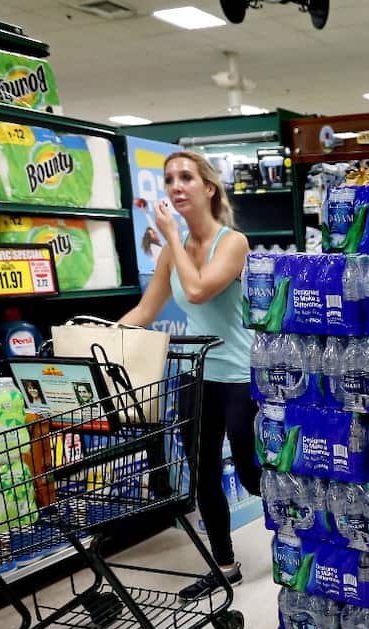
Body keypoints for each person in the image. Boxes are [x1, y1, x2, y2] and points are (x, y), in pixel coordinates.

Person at [122, 150, 259, 600]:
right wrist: (91, 336)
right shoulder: (170, 254)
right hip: (196, 378)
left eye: (185, 177)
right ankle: (225, 565)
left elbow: (198, 291)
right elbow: (144, 312)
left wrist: (170, 238)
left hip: (239, 377)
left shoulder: (232, 243)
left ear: (209, 188)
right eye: (168, 180)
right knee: (202, 477)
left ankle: (305, 539)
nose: (175, 186)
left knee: (253, 474)